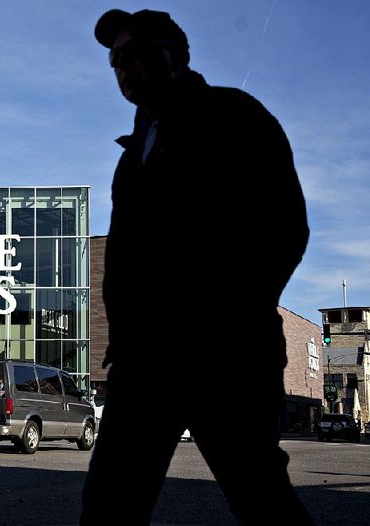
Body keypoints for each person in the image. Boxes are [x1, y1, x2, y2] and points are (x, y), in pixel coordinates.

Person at [81, 9, 313, 525]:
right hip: (144, 362)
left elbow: (286, 229)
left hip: (226, 357)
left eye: (139, 52)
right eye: (117, 59)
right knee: (109, 504)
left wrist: (227, 319)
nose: (126, 67)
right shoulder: (133, 153)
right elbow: (125, 260)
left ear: (176, 54)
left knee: (261, 496)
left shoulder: (235, 115)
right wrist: (123, 344)